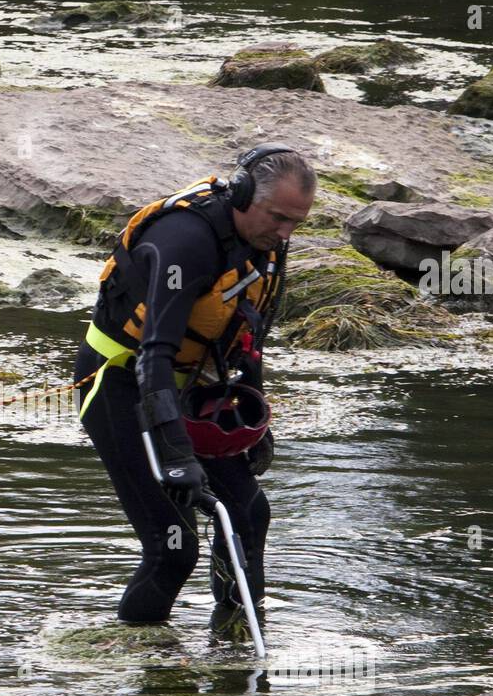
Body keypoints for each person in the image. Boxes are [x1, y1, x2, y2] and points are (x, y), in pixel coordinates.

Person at [73, 144, 316, 632]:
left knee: (249, 512)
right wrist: (178, 454)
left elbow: (250, 337)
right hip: (118, 385)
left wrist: (253, 418)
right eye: (277, 217)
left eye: (296, 222)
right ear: (244, 194)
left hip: (190, 387)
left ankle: (235, 642)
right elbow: (154, 354)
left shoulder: (266, 242)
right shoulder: (184, 241)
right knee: (173, 547)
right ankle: (143, 662)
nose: (285, 232)